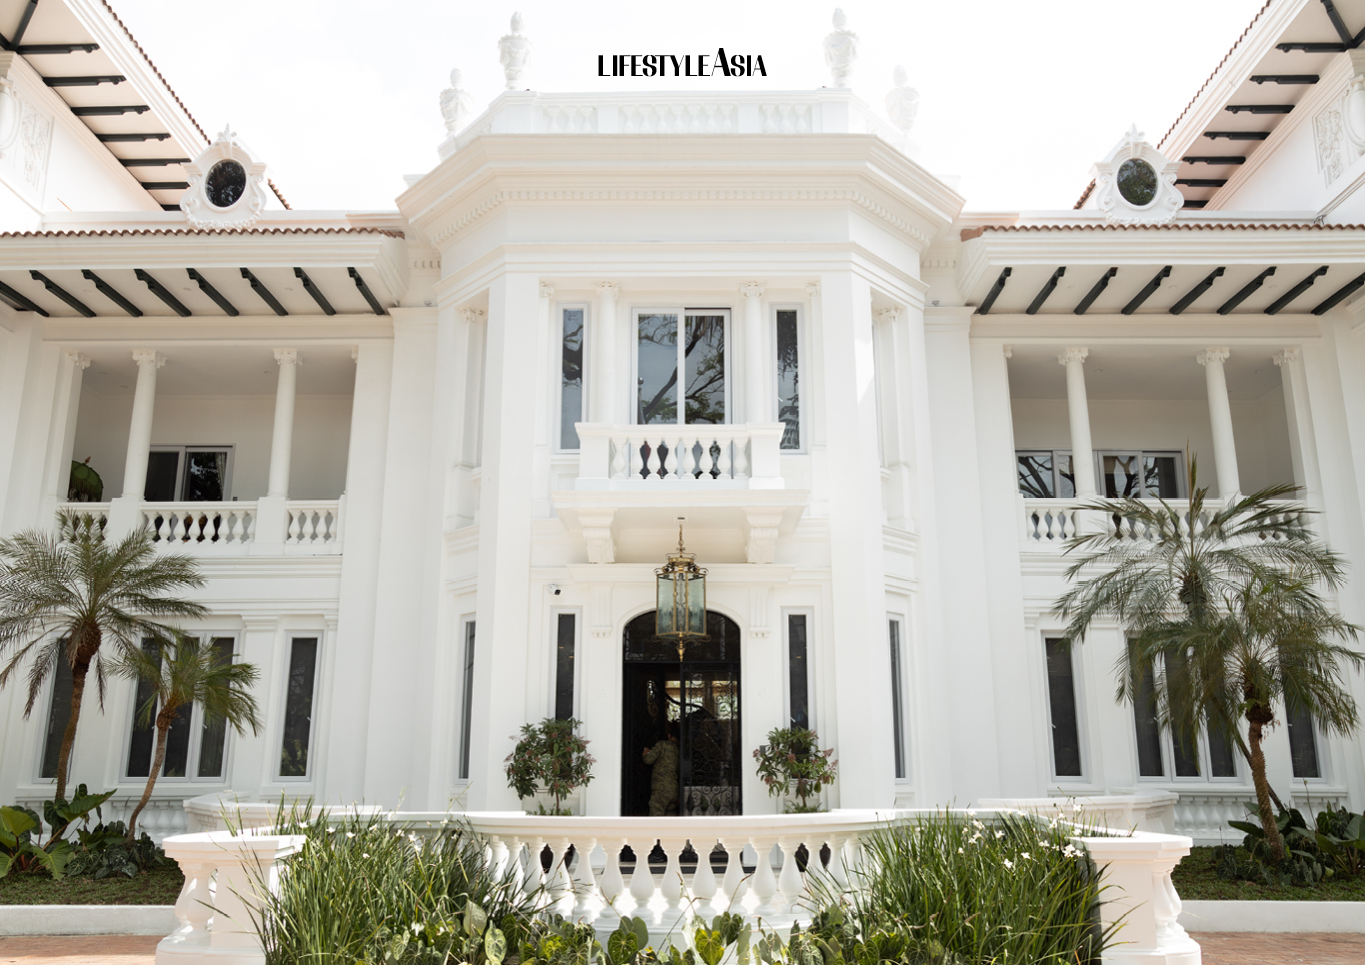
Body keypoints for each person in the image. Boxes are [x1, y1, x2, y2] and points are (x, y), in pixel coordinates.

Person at [642, 724, 679, 816]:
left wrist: (645, 753)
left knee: (656, 817)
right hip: (674, 790)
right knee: (670, 817)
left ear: (669, 735)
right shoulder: (680, 750)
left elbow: (648, 760)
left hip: (661, 789)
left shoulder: (662, 745)